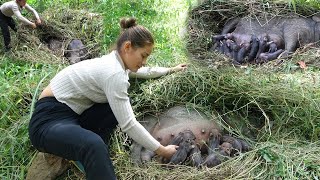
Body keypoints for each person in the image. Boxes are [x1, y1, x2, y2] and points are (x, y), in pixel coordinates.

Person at [28, 17, 187, 180]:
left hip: (72, 115)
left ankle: (89, 153)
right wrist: (162, 150)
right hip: (46, 123)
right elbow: (129, 124)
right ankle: (90, 152)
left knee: (115, 108)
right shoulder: (113, 72)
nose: (144, 62)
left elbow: (144, 72)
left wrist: (171, 69)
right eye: (143, 56)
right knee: (93, 145)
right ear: (127, 47)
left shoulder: (116, 62)